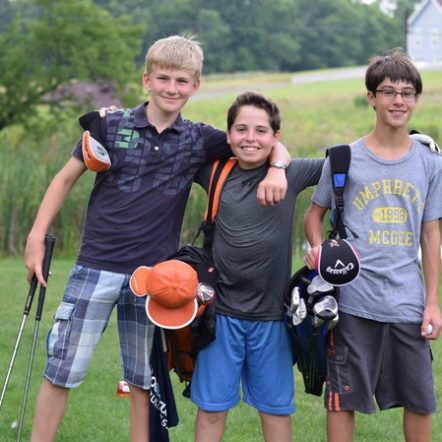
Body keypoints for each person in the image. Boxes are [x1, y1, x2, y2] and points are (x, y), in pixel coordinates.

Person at [24, 36, 290, 442]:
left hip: (155, 278)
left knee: (143, 382)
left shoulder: (200, 138)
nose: (171, 88)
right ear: (146, 79)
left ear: (195, 86)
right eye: (163, 78)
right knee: (61, 370)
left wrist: (280, 168)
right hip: (94, 266)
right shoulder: (110, 125)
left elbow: (261, 140)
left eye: (182, 81)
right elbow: (63, 179)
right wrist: (36, 236)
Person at [303, 48, 442, 442]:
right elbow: (313, 216)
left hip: (407, 302)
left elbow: (431, 235)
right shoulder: (346, 158)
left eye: (407, 92)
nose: (398, 100)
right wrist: (319, 250)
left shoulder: (431, 164)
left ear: (416, 99)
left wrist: (432, 302)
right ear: (372, 98)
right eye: (388, 91)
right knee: (343, 399)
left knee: (420, 400)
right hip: (351, 302)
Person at [190, 91, 324, 442]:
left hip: (272, 317)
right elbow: (175, 141)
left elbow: (347, 162)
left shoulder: (293, 174)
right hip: (219, 315)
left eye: (261, 131)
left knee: (276, 409)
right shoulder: (213, 172)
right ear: (229, 134)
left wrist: (279, 166)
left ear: (276, 137)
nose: (251, 138)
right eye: (241, 129)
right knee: (212, 409)